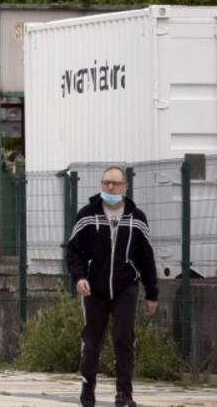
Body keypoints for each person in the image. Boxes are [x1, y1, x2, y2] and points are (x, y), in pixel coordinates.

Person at [66, 165, 158, 407]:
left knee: (123, 338)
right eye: (106, 182)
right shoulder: (87, 215)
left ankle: (124, 395)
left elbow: (146, 258)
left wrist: (152, 293)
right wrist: (79, 277)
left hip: (125, 287)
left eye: (115, 183)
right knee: (92, 341)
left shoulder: (136, 218)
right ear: (101, 185)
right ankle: (87, 389)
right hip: (93, 289)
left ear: (124, 187)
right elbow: (73, 251)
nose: (110, 187)